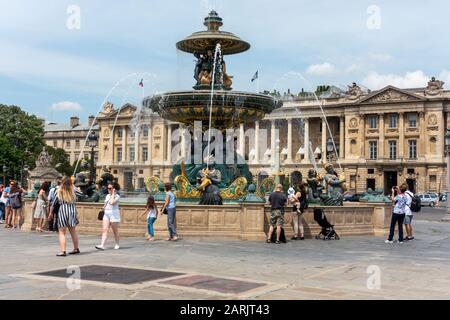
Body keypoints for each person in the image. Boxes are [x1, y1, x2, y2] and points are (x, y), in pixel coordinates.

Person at [49, 177, 80, 256]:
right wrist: (73, 186)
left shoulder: (59, 191)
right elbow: (82, 194)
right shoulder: (73, 191)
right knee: (73, 231)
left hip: (63, 210)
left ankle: (63, 251)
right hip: (72, 210)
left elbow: (54, 203)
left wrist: (50, 213)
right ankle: (76, 248)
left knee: (62, 232)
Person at [95, 182, 121, 250]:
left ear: (114, 189)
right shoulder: (107, 196)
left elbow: (112, 202)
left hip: (114, 214)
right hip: (106, 213)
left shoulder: (117, 196)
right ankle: (102, 245)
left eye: (110, 188)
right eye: (108, 188)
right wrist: (103, 208)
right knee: (104, 230)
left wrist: (113, 194)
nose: (108, 189)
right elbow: (106, 203)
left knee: (115, 231)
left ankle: (117, 244)